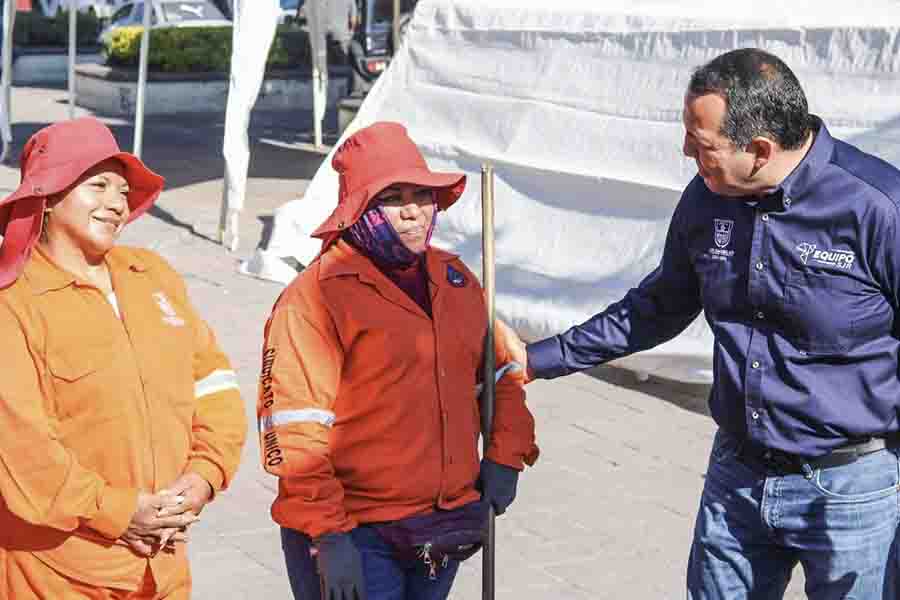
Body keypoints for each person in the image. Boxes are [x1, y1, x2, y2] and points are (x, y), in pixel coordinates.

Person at [498, 47, 900, 599]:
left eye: (701, 143)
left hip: (851, 489)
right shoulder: (707, 200)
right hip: (736, 475)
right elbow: (658, 306)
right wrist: (539, 359)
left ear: (758, 150)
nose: (685, 149)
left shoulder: (877, 208)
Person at [258, 121, 539, 600]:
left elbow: (502, 373)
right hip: (358, 533)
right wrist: (328, 534)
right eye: (392, 198)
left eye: (422, 194)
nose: (413, 211)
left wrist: (506, 456)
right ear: (359, 210)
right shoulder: (316, 298)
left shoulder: (453, 278)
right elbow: (293, 429)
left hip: (444, 523)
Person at [0, 117, 247, 599]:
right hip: (57, 574)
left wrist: (203, 477)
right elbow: (21, 449)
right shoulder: (14, 302)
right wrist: (116, 510)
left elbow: (214, 385)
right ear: (47, 197)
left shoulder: (152, 275)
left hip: (164, 567)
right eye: (99, 186)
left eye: (122, 190)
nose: (119, 203)